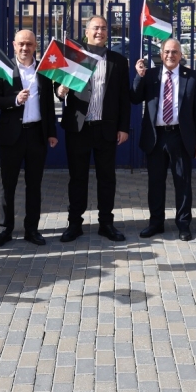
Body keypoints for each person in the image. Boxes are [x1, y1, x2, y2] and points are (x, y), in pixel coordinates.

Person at [56, 16, 131, 242]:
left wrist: (124, 127)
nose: (100, 32)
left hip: (106, 129)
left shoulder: (118, 61)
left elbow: (124, 98)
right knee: (77, 178)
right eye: (95, 28)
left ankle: (106, 223)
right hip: (79, 128)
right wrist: (60, 91)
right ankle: (74, 224)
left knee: (106, 178)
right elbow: (57, 88)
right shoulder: (73, 58)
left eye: (104, 28)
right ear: (86, 32)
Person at [130, 38, 196, 241]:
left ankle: (183, 224)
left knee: (183, 182)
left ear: (181, 55)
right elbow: (135, 98)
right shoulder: (150, 75)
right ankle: (156, 223)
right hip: (156, 136)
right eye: (167, 52)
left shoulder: (193, 77)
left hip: (180, 136)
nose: (170, 55)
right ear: (161, 54)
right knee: (155, 182)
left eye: (174, 52)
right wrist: (138, 77)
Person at [0, 29, 58, 247]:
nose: (25, 48)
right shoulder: (4, 69)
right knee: (8, 185)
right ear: (14, 45)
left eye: (29, 44)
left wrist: (52, 133)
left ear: (35, 46)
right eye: (21, 44)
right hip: (11, 136)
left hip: (36, 134)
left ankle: (32, 229)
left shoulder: (43, 71)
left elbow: (48, 105)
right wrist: (15, 100)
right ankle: (5, 229)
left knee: (34, 185)